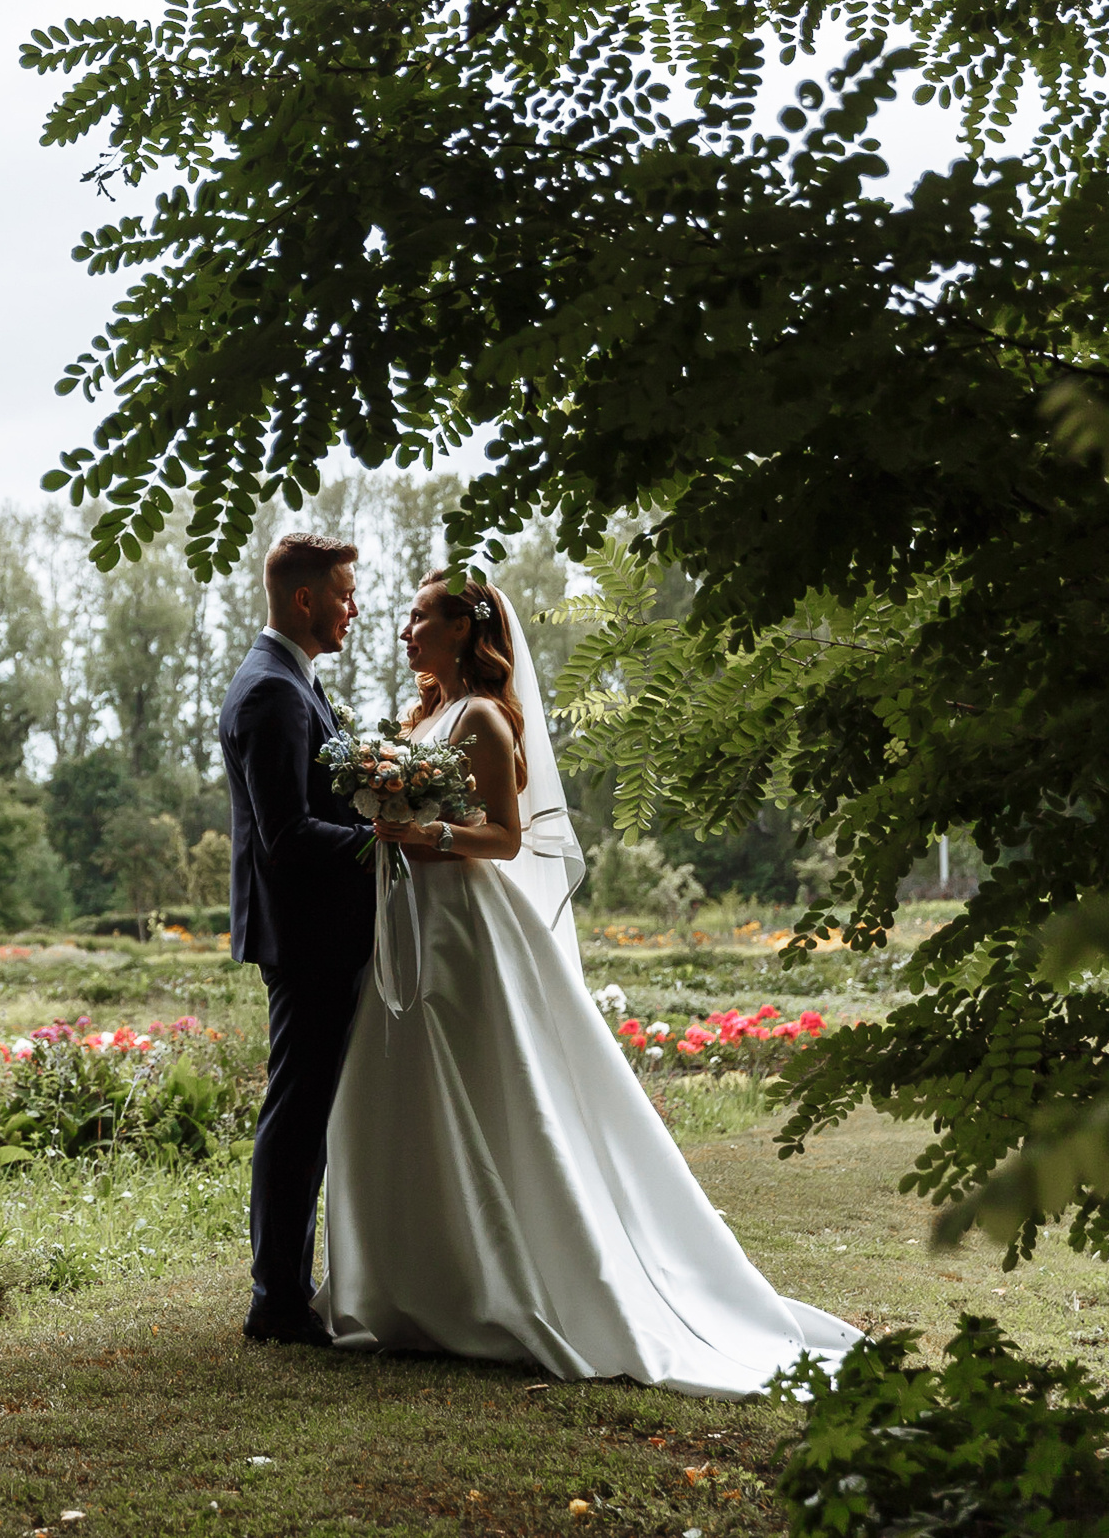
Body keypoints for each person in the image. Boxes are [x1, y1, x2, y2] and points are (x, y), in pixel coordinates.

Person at [314, 571, 859, 1397]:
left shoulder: (486, 720)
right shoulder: (418, 718)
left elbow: (502, 837)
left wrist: (422, 828)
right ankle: (408, 1287)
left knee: (489, 1091)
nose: (405, 631)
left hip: (465, 928)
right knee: (403, 1094)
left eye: (420, 617)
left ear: (463, 629)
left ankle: (496, 1286)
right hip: (411, 923)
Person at [217, 532, 378, 1347]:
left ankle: (285, 1288)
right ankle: (277, 1300)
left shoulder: (290, 682)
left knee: (303, 1110)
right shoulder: (272, 692)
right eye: (346, 592)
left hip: (314, 932)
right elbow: (284, 835)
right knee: (296, 1114)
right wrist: (380, 836)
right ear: (306, 598)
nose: (355, 606)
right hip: (306, 935)